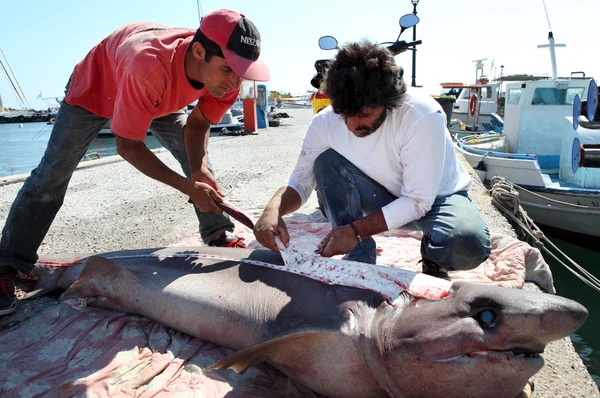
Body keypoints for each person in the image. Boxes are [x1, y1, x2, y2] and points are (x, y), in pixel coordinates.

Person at [0, 9, 270, 316]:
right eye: (227, 70)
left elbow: (197, 125)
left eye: (241, 71)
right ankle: (7, 263)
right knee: (52, 176)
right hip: (96, 91)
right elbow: (128, 146)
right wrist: (187, 187)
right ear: (199, 52)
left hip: (158, 94)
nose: (235, 81)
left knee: (198, 165)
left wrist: (199, 170)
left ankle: (218, 233)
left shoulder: (227, 74)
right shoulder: (148, 66)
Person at [254, 40, 490, 275]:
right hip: (382, 196)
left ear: (390, 102)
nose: (351, 125)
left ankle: (432, 257)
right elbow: (301, 183)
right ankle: (359, 257)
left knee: (467, 245)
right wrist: (273, 210)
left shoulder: (421, 115)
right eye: (344, 114)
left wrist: (355, 230)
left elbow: (418, 201)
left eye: (364, 114)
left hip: (437, 200)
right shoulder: (324, 123)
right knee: (326, 161)